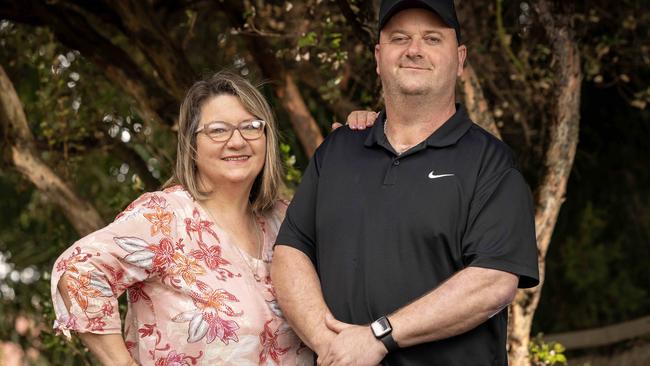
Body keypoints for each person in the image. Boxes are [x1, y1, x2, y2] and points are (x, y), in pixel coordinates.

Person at [271, 1, 540, 365]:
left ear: (460, 59)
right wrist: (330, 344)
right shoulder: (337, 150)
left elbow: (494, 280)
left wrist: (379, 336)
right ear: (379, 57)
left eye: (432, 38)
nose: (414, 49)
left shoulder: (490, 164)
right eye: (400, 38)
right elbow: (291, 252)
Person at [50, 71, 373, 365]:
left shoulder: (286, 219)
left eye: (251, 126)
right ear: (192, 144)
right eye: (218, 130)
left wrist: (368, 144)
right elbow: (78, 270)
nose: (237, 141)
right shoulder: (166, 217)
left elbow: (368, 254)